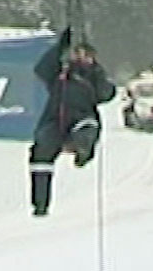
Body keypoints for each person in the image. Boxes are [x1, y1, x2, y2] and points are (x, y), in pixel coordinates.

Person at [29, 27, 116, 217]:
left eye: (86, 55)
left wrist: (94, 69)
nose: (81, 58)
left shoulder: (94, 77)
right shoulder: (59, 73)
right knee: (40, 152)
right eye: (78, 54)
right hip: (55, 119)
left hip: (82, 117)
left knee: (87, 130)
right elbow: (41, 69)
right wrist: (60, 46)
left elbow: (106, 94)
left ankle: (82, 151)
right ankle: (40, 204)